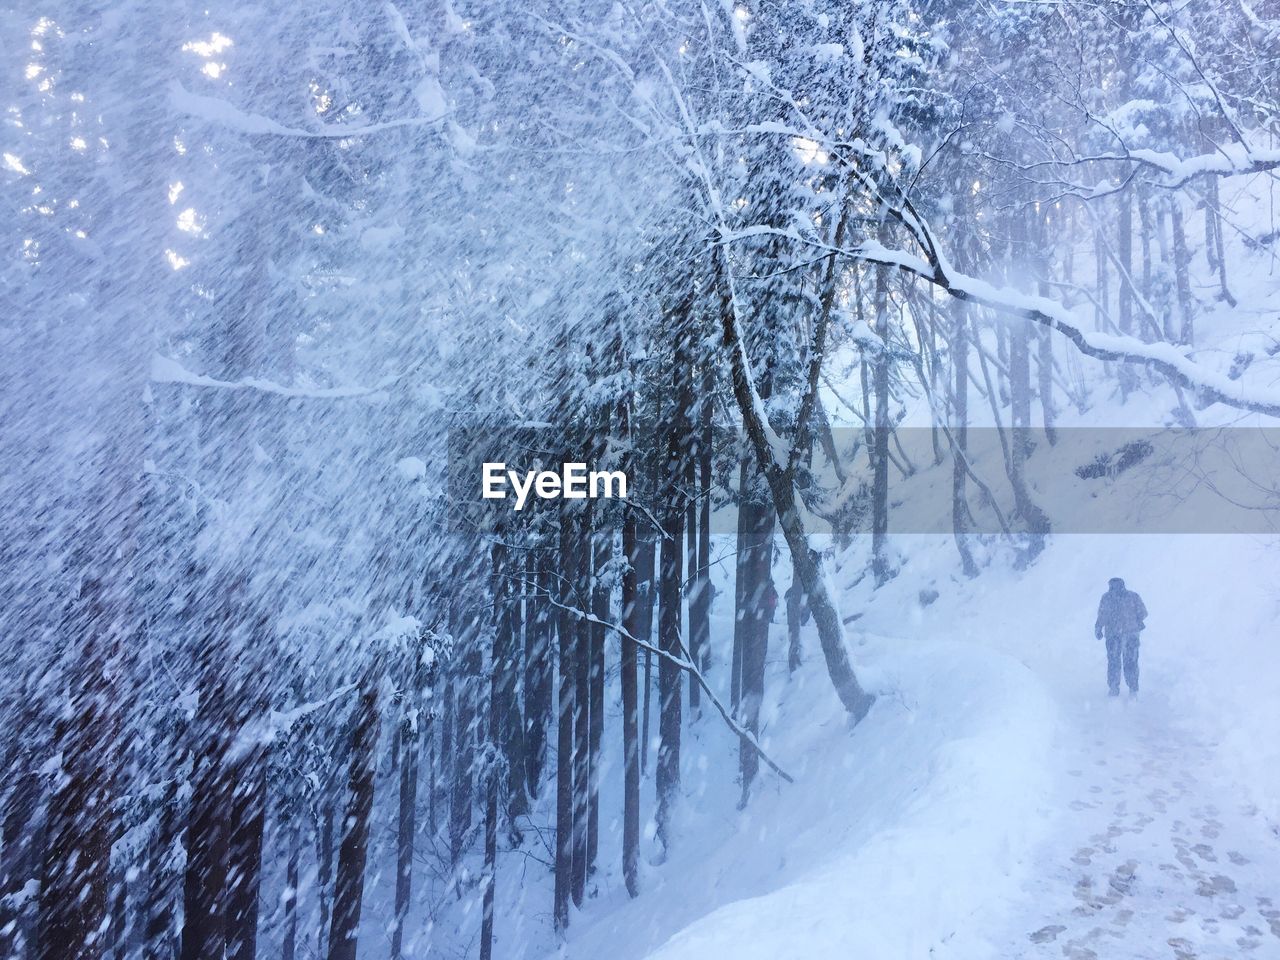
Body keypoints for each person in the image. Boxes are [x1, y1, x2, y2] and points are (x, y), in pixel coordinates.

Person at [1094, 577, 1147, 697]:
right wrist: (1135, 620)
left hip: (1113, 635)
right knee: (1131, 661)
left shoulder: (1106, 598)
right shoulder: (1133, 596)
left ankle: (1114, 688)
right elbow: (1143, 612)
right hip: (1131, 633)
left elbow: (1102, 615)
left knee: (1114, 662)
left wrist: (1098, 627)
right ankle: (1133, 690)